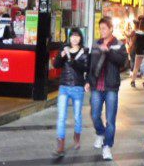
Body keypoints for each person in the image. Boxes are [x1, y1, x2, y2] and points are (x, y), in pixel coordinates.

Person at [89, 16, 128, 161]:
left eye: (104, 28)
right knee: (94, 115)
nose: (101, 31)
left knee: (110, 120)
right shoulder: (95, 44)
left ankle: (107, 146)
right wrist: (88, 80)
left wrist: (108, 51)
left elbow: (123, 62)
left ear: (111, 29)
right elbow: (91, 64)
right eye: (100, 28)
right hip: (96, 86)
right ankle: (100, 132)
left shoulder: (118, 44)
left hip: (111, 86)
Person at [53, 28, 89, 157]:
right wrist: (60, 56)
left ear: (80, 38)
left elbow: (85, 68)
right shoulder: (64, 50)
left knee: (77, 117)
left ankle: (76, 137)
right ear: (69, 38)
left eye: (77, 36)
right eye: (72, 36)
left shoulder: (85, 52)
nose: (74, 38)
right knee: (61, 116)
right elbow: (55, 65)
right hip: (64, 87)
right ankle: (60, 145)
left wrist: (73, 62)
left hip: (78, 88)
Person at [131, 18, 144, 88]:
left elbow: (134, 43)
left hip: (139, 52)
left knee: (136, 67)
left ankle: (133, 81)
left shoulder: (137, 33)